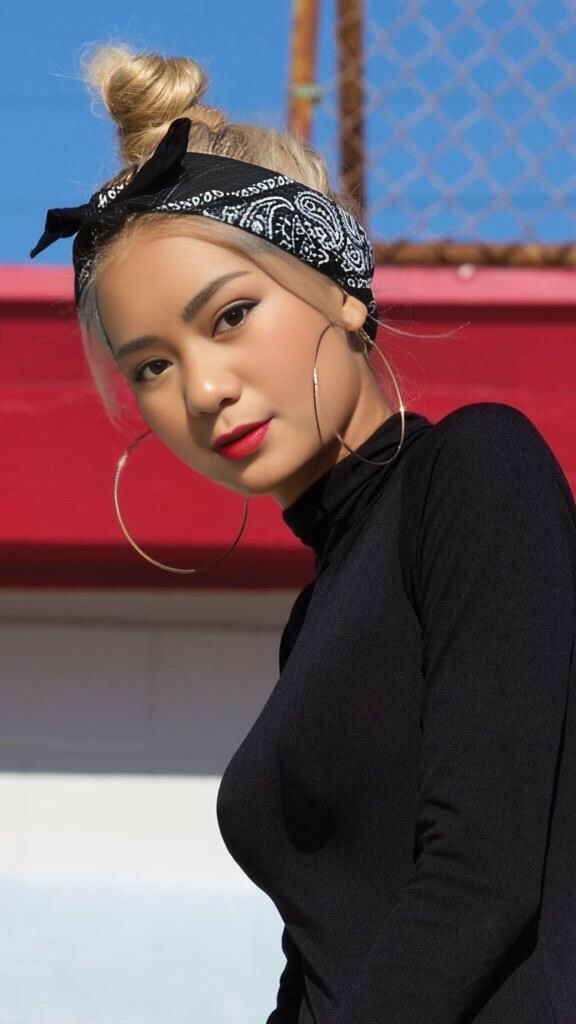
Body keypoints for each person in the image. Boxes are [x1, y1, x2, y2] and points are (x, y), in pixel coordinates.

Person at [31, 45, 576, 1024]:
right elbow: (327, 955)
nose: (203, 390)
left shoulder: (477, 473)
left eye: (230, 316)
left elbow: (481, 878)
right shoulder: (318, 614)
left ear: (340, 285)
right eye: (151, 366)